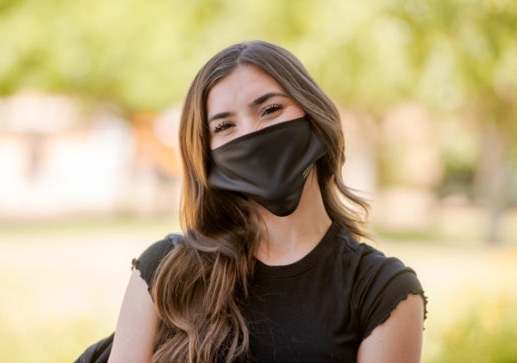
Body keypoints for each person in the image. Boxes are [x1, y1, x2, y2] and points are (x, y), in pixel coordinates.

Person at [108, 40, 427, 363]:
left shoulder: (383, 291)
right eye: (225, 126)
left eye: (271, 109)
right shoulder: (165, 271)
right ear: (207, 155)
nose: (251, 133)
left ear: (314, 115)